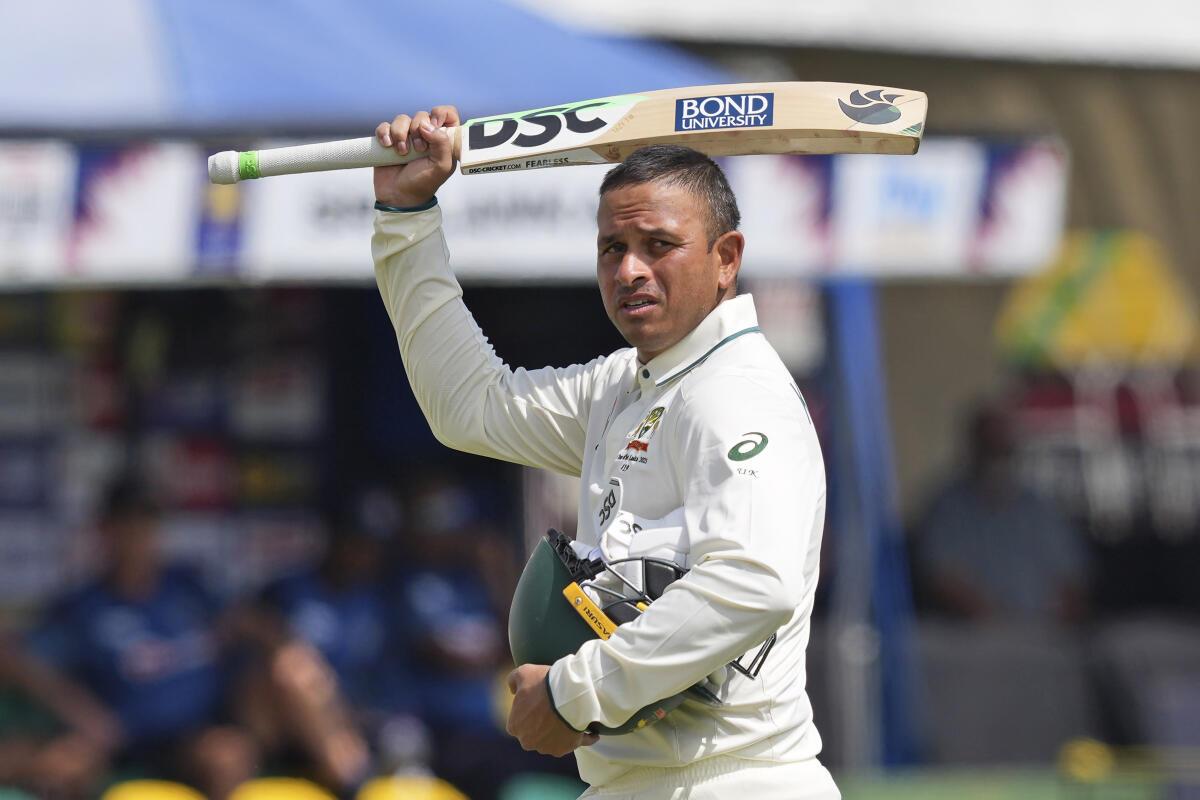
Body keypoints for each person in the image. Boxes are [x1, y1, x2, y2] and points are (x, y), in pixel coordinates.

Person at [369, 107, 837, 799]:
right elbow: (470, 407)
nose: (630, 270)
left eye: (658, 244)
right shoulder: (626, 385)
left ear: (726, 258)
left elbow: (753, 582)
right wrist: (407, 216)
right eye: (612, 247)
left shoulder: (735, 392)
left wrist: (573, 692)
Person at [1, 478, 258, 799]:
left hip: (189, 736)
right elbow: (14, 656)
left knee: (228, 754)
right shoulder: (82, 605)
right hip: (116, 743)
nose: (137, 536)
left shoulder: (191, 587)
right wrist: (81, 712)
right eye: (126, 524)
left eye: (147, 523)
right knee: (61, 766)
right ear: (105, 531)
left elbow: (259, 627)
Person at [913, 404, 1089, 623]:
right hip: (977, 634)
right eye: (989, 449)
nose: (997, 460)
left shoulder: (1040, 505)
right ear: (973, 448)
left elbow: (1072, 578)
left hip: (1045, 635)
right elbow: (941, 577)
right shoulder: (947, 506)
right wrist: (994, 620)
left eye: (1004, 450)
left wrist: (1059, 621)